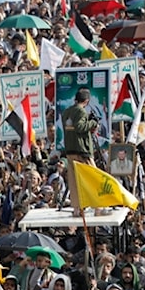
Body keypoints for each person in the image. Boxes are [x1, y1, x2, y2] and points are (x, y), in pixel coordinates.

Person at [61, 88, 100, 216]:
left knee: (74, 181)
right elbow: (80, 127)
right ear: (87, 101)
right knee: (94, 178)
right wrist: (93, 122)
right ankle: (98, 206)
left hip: (70, 149)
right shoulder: (81, 111)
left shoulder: (67, 112)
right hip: (81, 150)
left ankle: (77, 209)